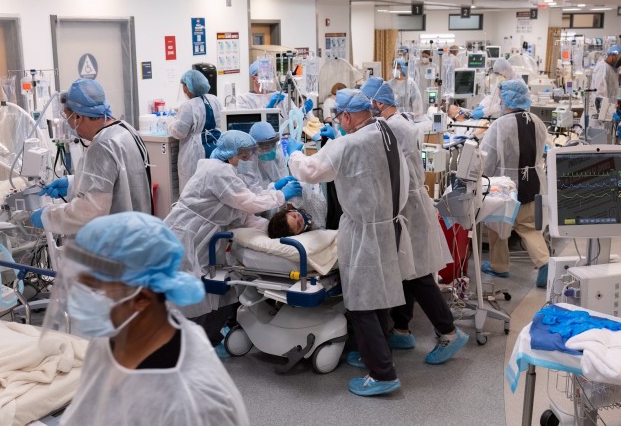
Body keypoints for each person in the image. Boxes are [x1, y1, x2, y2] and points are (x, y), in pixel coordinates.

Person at [43, 212, 249, 425]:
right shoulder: (112, 338)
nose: (78, 295)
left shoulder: (196, 404)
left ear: (141, 298)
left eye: (93, 287)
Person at [286, 88, 413, 396]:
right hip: (388, 224)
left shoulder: (348, 144)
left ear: (345, 116)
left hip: (363, 231)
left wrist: (293, 153)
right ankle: (377, 353)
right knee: (378, 295)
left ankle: (382, 373)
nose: (338, 123)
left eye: (338, 118)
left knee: (361, 303)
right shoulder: (384, 129)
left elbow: (310, 171)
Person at [164, 130, 302, 356]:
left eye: (249, 156)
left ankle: (206, 338)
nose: (247, 160)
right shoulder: (217, 172)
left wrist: (272, 228)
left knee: (222, 291)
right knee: (188, 294)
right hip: (188, 235)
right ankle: (180, 347)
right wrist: (279, 195)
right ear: (229, 153)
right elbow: (247, 202)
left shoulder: (229, 173)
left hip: (207, 238)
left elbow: (242, 214)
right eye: (243, 156)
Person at [360, 77, 468, 361]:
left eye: (364, 106)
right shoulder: (399, 121)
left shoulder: (391, 127)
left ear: (377, 103)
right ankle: (402, 328)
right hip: (408, 203)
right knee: (405, 269)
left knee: (418, 274)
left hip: (409, 207)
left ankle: (449, 332)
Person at [31, 79, 151, 235]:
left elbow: (88, 214)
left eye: (68, 118)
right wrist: (72, 184)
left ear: (78, 117)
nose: (69, 125)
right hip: (138, 234)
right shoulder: (125, 130)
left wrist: (47, 216)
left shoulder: (102, 146)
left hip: (115, 242)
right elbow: (116, 182)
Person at [479, 78, 550, 287]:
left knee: (497, 226)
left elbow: (486, 158)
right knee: (528, 227)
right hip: (532, 183)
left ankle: (499, 266)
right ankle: (544, 262)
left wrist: (480, 180)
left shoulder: (500, 125)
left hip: (504, 186)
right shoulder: (537, 121)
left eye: (501, 98)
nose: (500, 102)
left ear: (508, 99)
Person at [168, 69, 222, 189]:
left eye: (183, 85)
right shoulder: (214, 99)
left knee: (194, 187)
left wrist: (170, 123)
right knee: (213, 184)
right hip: (215, 145)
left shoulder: (188, 106)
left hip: (196, 151)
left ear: (187, 87)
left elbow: (179, 132)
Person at [237, 61, 313, 122]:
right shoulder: (243, 99)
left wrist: (302, 111)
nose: (268, 78)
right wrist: (267, 109)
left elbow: (294, 123)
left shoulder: (283, 97)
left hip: (282, 136)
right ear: (254, 78)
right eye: (264, 75)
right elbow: (246, 124)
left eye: (270, 75)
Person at [584, 45, 621, 131]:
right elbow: (600, 95)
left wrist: (614, 109)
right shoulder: (602, 68)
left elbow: (612, 93)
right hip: (598, 116)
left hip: (608, 115)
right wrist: (610, 113)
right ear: (613, 55)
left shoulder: (615, 69)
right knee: (597, 136)